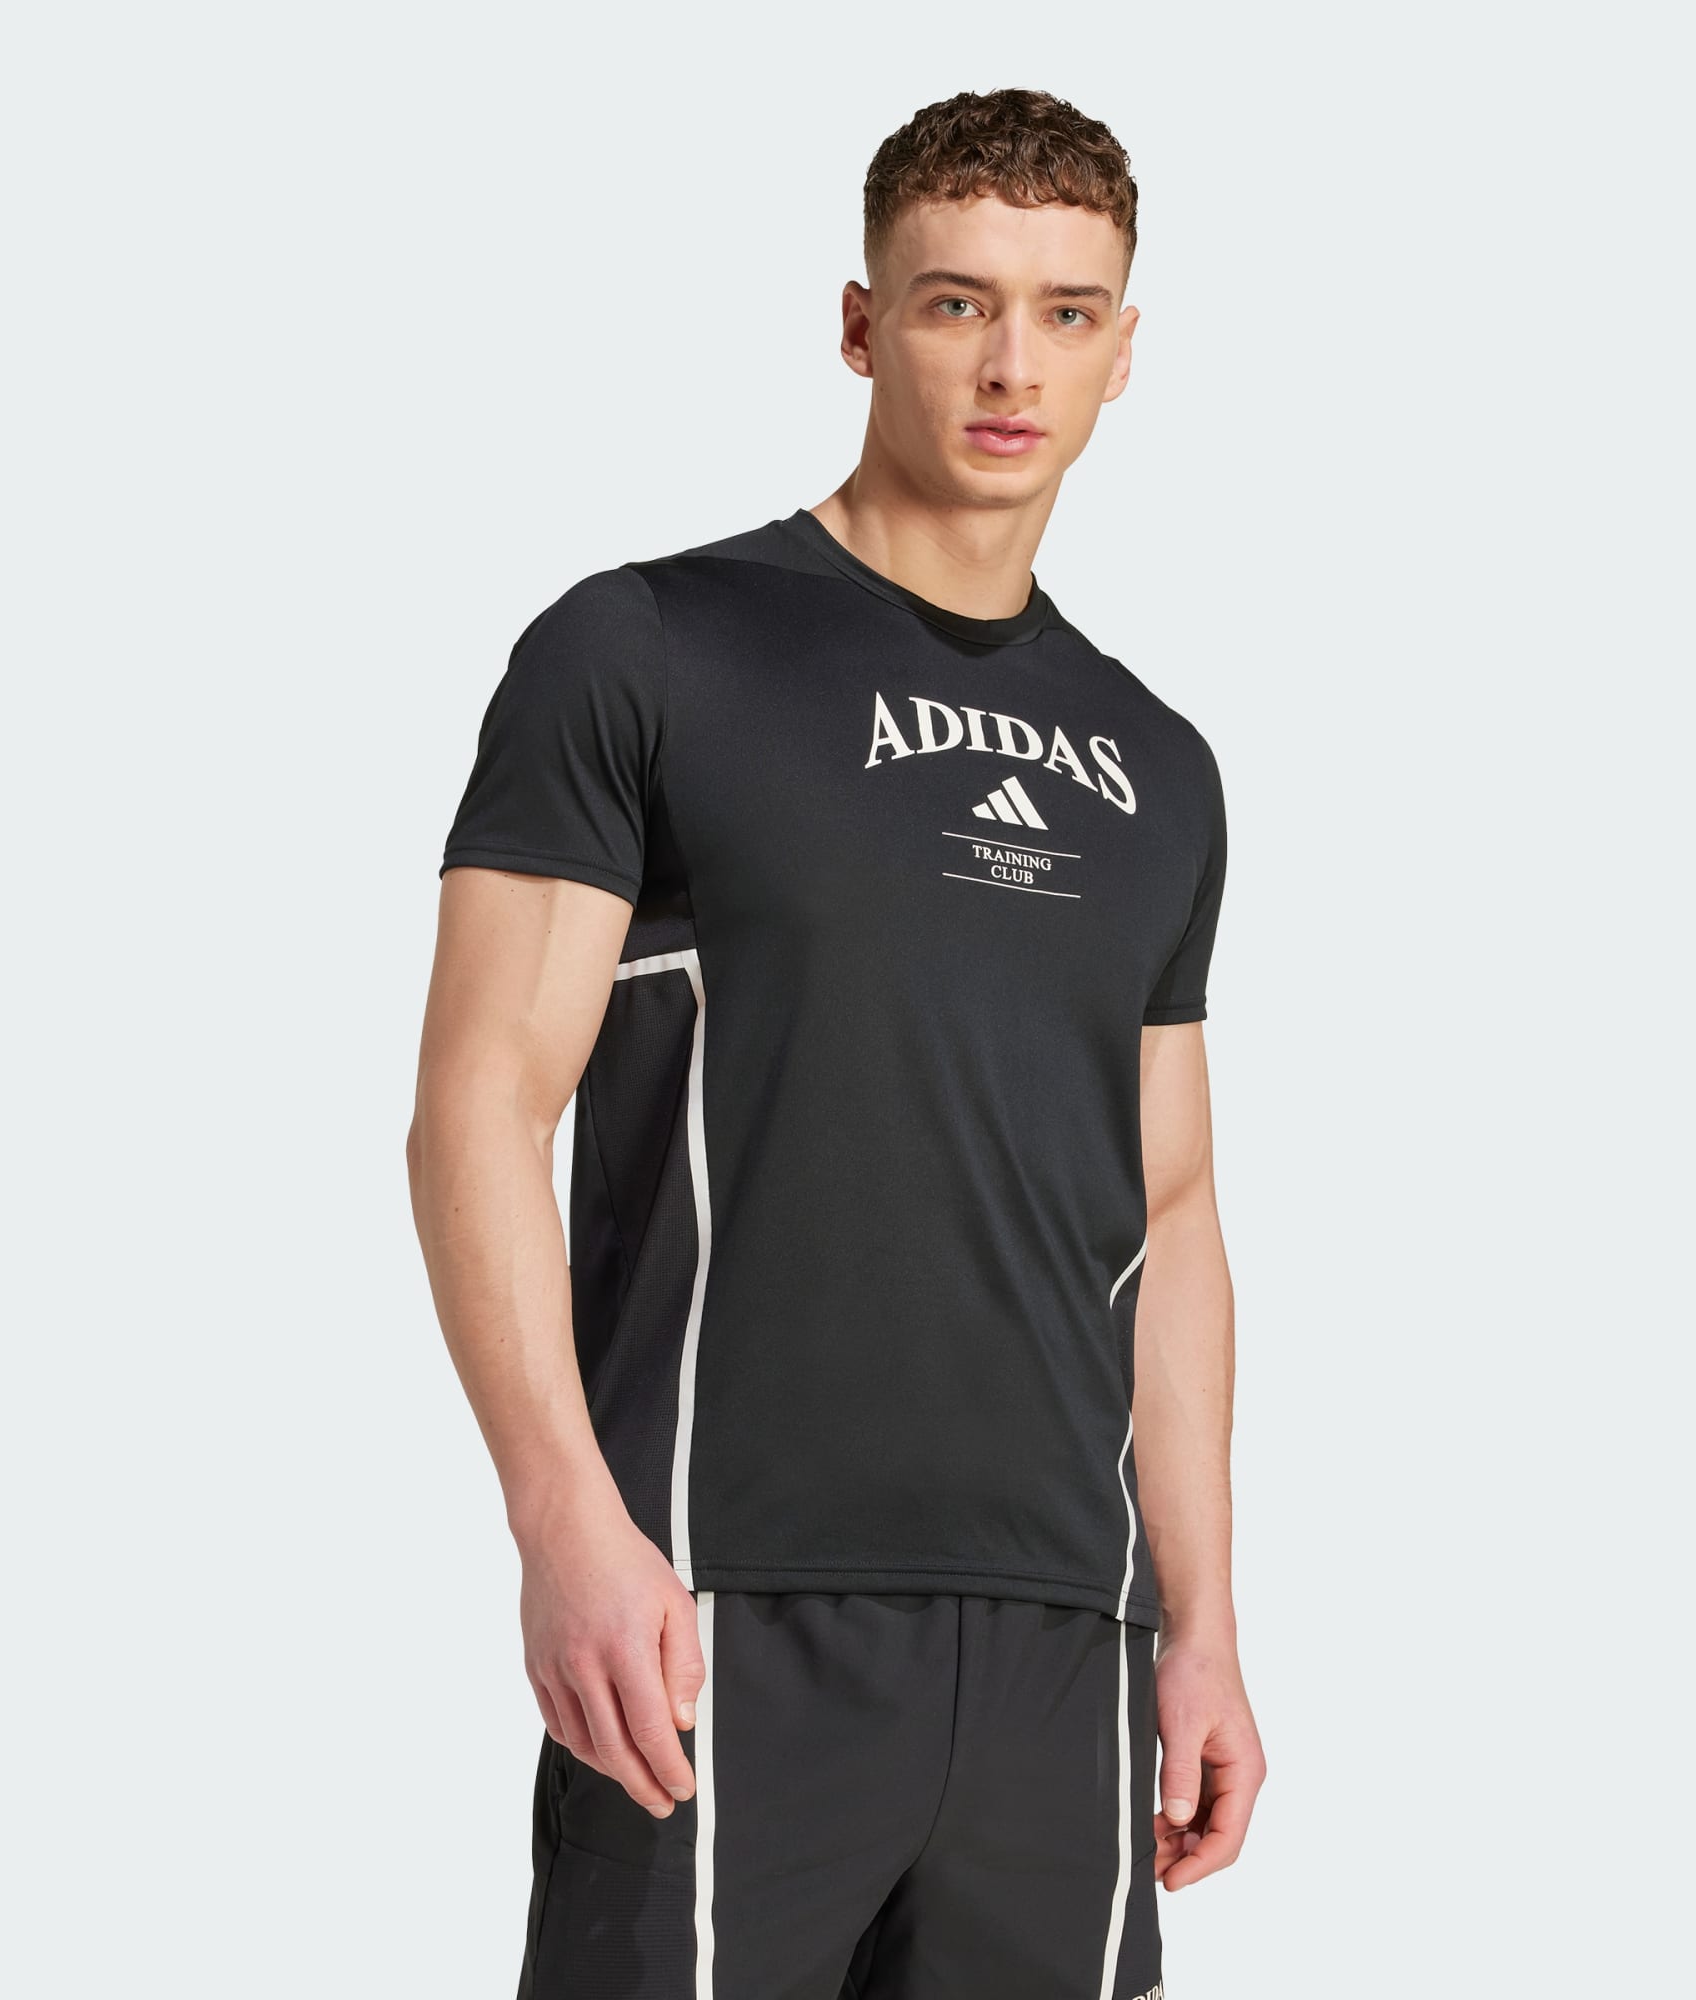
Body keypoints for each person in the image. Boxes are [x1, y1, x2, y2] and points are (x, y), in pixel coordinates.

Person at [407, 85, 1265, 2000]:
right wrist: (562, 1518)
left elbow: (1173, 1210)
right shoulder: (645, 652)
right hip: (719, 1605)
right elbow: (478, 1106)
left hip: (1066, 1642)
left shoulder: (1160, 764)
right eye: (958, 303)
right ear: (863, 324)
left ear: (1125, 350)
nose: (1013, 364)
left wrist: (1200, 1620)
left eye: (1065, 312)